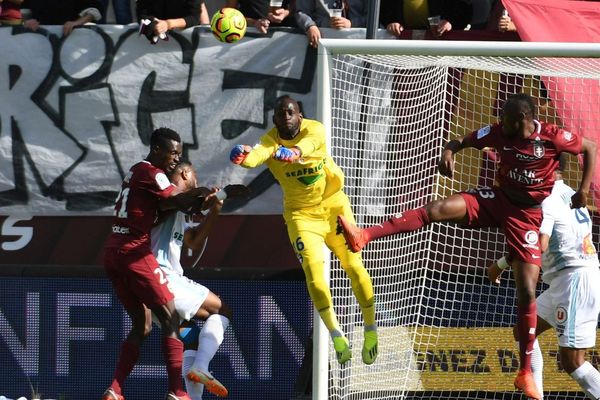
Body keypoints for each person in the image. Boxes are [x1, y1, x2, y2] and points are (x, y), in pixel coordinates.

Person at [337, 93, 597, 399]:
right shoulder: (500, 132)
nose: (502, 123)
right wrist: (449, 151)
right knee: (437, 209)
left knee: (530, 294)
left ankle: (525, 373)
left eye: (508, 119)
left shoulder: (552, 160)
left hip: (537, 232)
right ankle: (364, 235)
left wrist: (583, 189)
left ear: (524, 119)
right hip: (499, 202)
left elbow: (589, 147)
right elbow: (462, 140)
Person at [228, 95, 378, 365]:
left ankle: (370, 329)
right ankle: (336, 335)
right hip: (302, 217)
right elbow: (256, 156)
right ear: (274, 120)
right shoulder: (270, 141)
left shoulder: (315, 129)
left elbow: (307, 146)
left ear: (300, 115)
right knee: (315, 276)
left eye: (291, 112)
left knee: (354, 267)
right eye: (281, 113)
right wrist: (242, 155)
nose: (286, 117)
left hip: (334, 208)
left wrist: (294, 153)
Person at [103, 127, 210, 400]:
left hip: (113, 251)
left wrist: (198, 199)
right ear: (157, 150)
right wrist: (207, 195)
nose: (176, 159)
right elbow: (176, 200)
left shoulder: (136, 170)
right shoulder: (153, 173)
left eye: (179, 154)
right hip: (135, 253)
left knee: (143, 325)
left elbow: (171, 204)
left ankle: (114, 390)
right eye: (172, 153)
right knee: (171, 318)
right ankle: (177, 391)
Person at [487, 163, 600, 400]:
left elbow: (540, 244)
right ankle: (535, 395)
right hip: (567, 278)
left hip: (574, 281)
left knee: (573, 362)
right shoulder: (567, 191)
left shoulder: (547, 200)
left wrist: (502, 266)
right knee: (524, 332)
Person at [151, 161, 249, 399]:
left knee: (192, 340)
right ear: (185, 173)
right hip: (162, 276)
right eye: (194, 176)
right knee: (222, 310)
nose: (196, 181)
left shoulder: (174, 205)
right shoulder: (168, 197)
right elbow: (198, 197)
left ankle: (195, 385)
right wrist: (221, 193)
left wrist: (215, 209)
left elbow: (193, 241)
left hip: (147, 287)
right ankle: (202, 366)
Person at [379, 0, 472, 38]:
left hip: (441, 46)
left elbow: (464, 6)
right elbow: (382, 7)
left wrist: (450, 21)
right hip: (402, 44)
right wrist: (390, 22)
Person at [295, 0, 368, 48]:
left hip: (357, 49)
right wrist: (310, 26)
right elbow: (301, 12)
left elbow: (373, 18)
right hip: (321, 48)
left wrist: (351, 23)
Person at [136, 0, 209, 42]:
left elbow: (194, 18)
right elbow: (142, 13)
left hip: (187, 35)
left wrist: (168, 24)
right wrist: (152, 24)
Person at [22, 0, 104, 36]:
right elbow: (25, 8)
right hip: (39, 40)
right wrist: (28, 20)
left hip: (71, 40)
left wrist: (77, 23)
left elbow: (95, 9)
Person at [225, 0, 296, 34]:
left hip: (284, 40)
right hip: (251, 39)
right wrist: (254, 22)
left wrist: (286, 13)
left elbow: (295, 6)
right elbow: (228, 15)